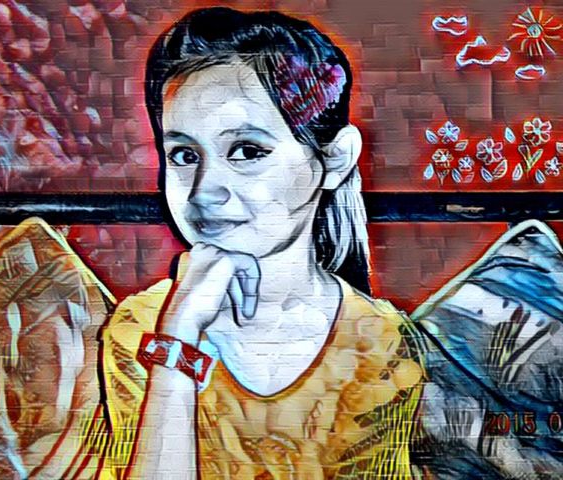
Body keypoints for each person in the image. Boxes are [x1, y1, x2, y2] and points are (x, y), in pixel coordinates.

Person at [94, 7, 425, 479]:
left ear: (334, 158)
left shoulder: (378, 341)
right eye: (184, 155)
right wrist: (177, 341)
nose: (205, 190)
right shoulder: (141, 328)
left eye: (248, 151)